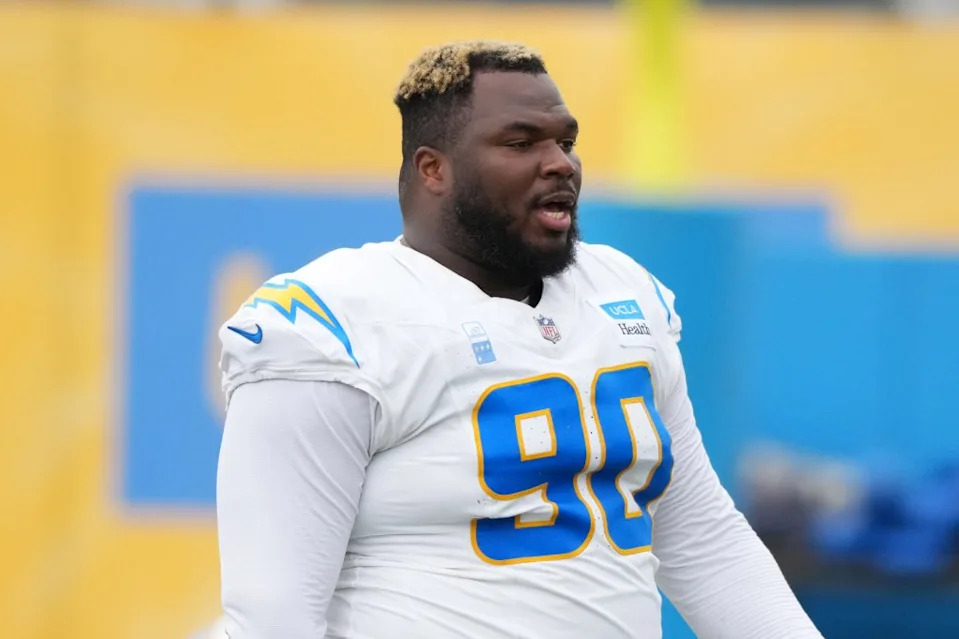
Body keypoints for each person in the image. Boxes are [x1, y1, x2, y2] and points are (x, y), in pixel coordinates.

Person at [216, 41, 822, 639]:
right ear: (434, 169)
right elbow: (273, 618)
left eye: (566, 141)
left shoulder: (621, 292)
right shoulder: (332, 323)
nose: (560, 162)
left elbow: (701, 538)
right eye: (520, 142)